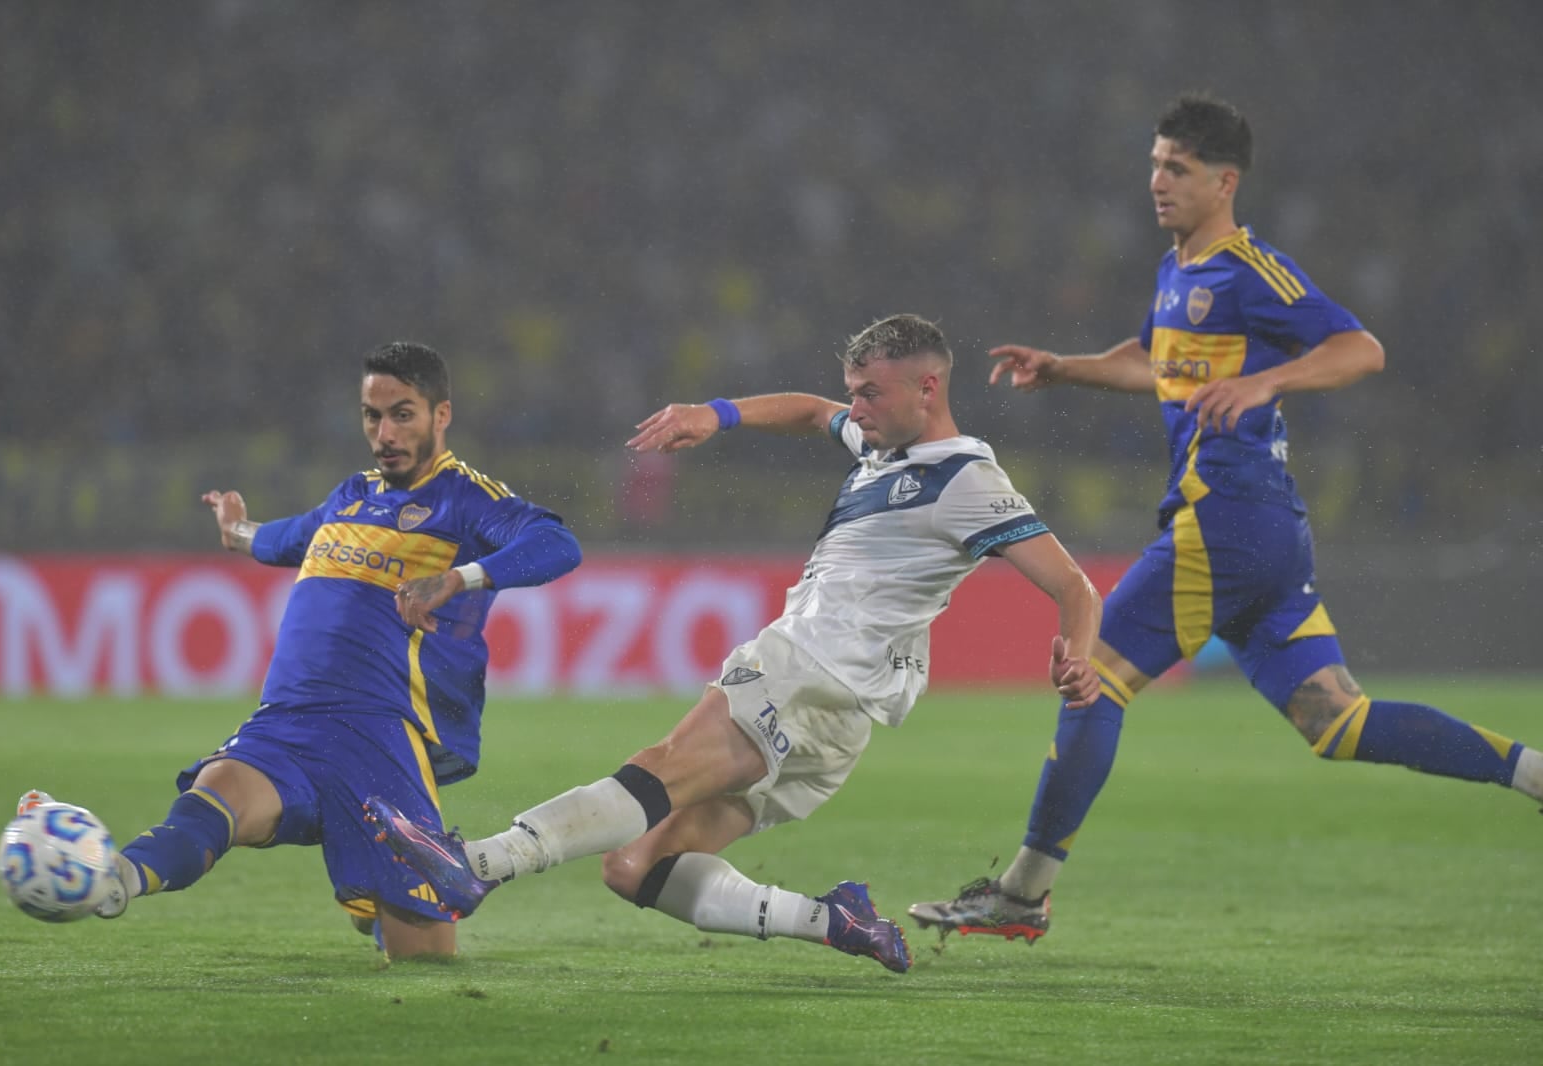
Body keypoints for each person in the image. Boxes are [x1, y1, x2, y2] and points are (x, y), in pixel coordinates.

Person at [908, 93, 1543, 942]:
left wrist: (1265, 381)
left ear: (1225, 180)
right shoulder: (1178, 272)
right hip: (1262, 539)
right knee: (1338, 722)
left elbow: (1361, 348)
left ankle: (1022, 895)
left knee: (1094, 672)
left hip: (1225, 519)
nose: (1158, 181)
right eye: (1155, 163)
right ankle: (1533, 772)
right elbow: (1149, 363)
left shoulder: (1250, 270)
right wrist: (1064, 368)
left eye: (1178, 168)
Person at [360, 313, 1103, 974]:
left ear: (928, 387)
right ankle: (832, 919)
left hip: (810, 666)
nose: (857, 408)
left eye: (871, 393)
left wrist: (1077, 657)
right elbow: (815, 413)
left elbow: (1074, 585)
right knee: (636, 864)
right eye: (856, 391)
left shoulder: (967, 479)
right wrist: (716, 415)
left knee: (659, 769)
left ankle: (476, 865)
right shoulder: (881, 445)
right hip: (840, 721)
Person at [16, 341, 582, 960]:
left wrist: (459, 579)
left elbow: (557, 544)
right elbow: (292, 538)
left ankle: (384, 904)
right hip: (288, 719)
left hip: (380, 737)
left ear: (441, 415)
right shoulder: (351, 496)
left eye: (403, 414)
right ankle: (110, 881)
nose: (384, 432)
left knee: (424, 957)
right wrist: (239, 532)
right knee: (210, 800)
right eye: (372, 415)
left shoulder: (466, 499)